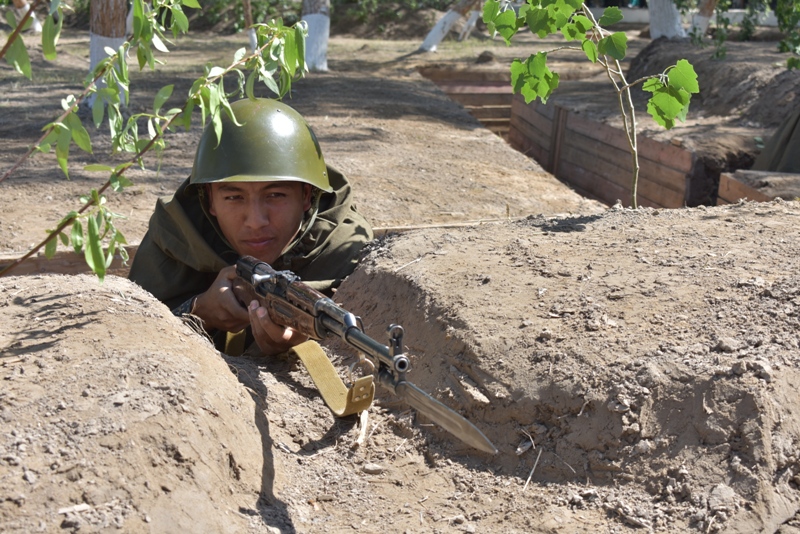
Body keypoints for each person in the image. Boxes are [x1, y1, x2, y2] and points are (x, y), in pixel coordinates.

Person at [129, 98, 373, 356]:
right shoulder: (178, 238)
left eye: (276, 195)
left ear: (306, 196)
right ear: (209, 200)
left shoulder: (347, 249)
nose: (256, 221)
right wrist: (198, 311)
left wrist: (296, 349)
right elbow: (127, 337)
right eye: (234, 198)